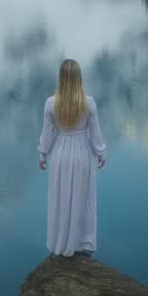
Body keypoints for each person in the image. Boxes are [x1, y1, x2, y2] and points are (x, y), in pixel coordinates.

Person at [38, 59, 107, 258]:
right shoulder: (88, 102)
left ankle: (60, 242)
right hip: (82, 153)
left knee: (60, 198)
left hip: (60, 154)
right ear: (79, 78)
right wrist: (101, 153)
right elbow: (96, 134)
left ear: (60, 78)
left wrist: (42, 154)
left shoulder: (51, 103)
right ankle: (82, 242)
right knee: (83, 198)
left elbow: (47, 135)